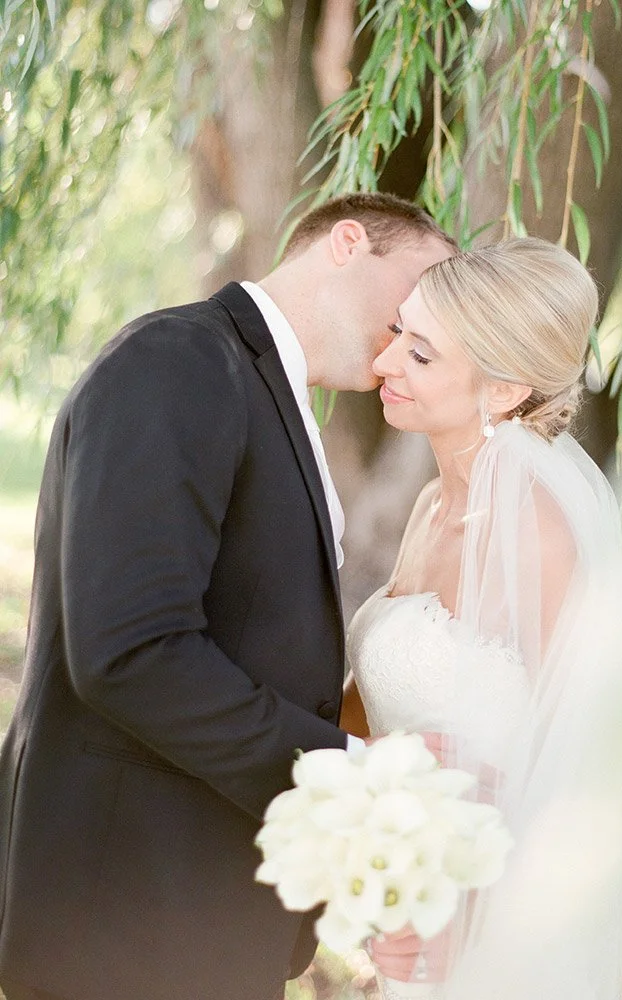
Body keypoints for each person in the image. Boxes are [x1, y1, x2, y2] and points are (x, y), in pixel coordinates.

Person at [0, 193, 455, 1000]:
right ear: (348, 242)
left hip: (192, 914)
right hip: (119, 917)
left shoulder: (259, 388)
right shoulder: (178, 360)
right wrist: (351, 772)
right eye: (417, 290)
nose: (421, 321)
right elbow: (131, 651)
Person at [342, 237, 622, 999]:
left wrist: (468, 914)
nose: (384, 362)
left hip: (490, 932)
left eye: (420, 354)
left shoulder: (541, 532)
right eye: (397, 334)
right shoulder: (429, 505)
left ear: (505, 390)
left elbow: (583, 771)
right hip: (413, 897)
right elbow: (373, 714)